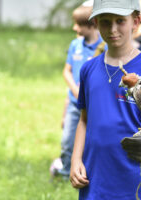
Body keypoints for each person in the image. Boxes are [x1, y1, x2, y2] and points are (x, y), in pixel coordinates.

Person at [69, 0, 141, 199]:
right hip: (94, 177)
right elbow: (84, 119)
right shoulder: (88, 69)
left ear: (135, 21)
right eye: (105, 21)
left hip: (134, 179)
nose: (113, 29)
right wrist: (75, 160)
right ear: (95, 23)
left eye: (120, 21)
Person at [49, 3, 103, 179]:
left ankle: (89, 172)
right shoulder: (75, 45)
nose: (74, 28)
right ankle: (66, 172)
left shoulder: (104, 47)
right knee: (67, 141)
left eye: (79, 24)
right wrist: (74, 89)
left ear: (92, 24)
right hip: (74, 103)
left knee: (93, 142)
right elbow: (67, 70)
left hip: (95, 106)